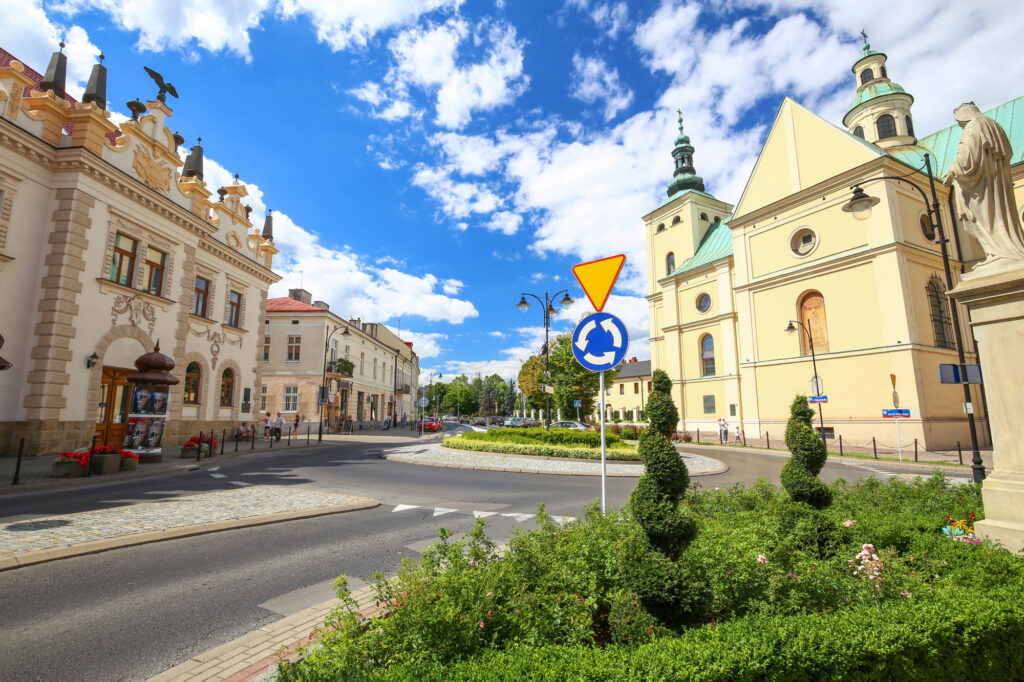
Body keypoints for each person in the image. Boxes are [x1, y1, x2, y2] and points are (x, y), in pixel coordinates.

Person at [943, 101, 1024, 275]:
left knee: (985, 219)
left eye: (959, 122)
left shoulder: (973, 127)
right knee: (998, 216)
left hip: (981, 188)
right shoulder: (993, 126)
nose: (959, 125)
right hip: (995, 183)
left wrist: (952, 171)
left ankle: (998, 252)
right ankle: (1001, 251)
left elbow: (967, 157)